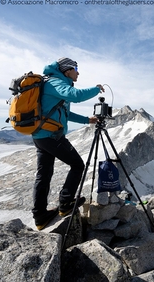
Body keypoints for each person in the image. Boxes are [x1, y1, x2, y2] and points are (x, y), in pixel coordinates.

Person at [32, 57, 104, 230]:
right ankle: (65, 203)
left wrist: (88, 120)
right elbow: (76, 96)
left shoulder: (53, 84)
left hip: (41, 135)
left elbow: (65, 113)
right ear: (67, 70)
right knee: (78, 165)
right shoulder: (55, 83)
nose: (78, 72)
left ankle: (40, 216)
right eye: (76, 68)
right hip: (51, 136)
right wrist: (96, 89)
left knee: (44, 173)